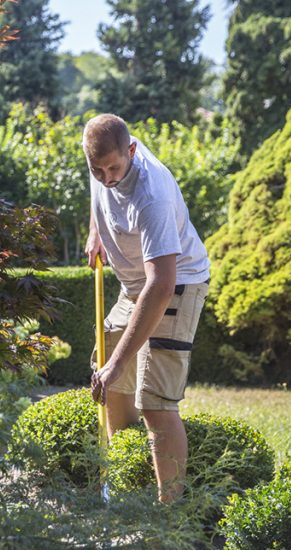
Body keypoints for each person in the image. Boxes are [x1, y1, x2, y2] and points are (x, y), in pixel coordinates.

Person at [82, 114, 210, 503]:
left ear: (132, 152)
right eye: (97, 170)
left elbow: (162, 285)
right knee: (110, 383)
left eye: (113, 169)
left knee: (155, 402)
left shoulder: (151, 195)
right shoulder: (102, 154)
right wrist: (95, 230)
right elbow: (97, 187)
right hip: (135, 283)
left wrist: (120, 361)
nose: (106, 178)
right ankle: (128, 487)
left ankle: (168, 516)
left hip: (176, 283)